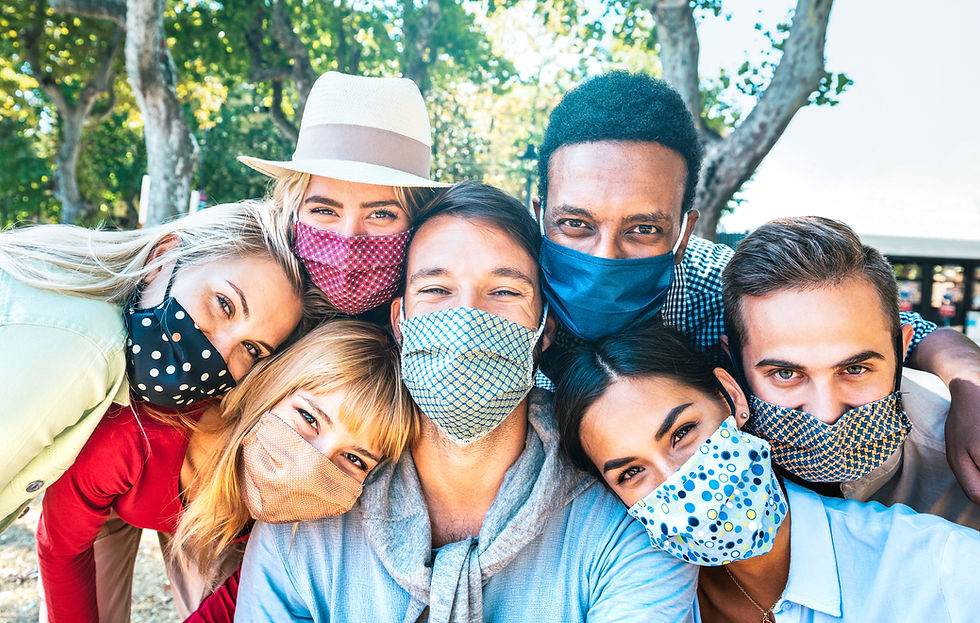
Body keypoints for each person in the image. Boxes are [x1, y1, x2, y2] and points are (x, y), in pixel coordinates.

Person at [235, 181, 697, 622]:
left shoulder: (624, 529)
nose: (467, 316)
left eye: (504, 291)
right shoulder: (312, 505)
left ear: (544, 331)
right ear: (400, 322)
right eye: (436, 289)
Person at [534, 69, 980, 502]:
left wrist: (969, 387)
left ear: (685, 234)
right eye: (574, 224)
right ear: (539, 214)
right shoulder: (495, 288)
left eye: (644, 229)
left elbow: (893, 334)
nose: (604, 256)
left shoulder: (719, 286)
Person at [554, 325, 980, 622]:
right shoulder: (638, 603)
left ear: (732, 398)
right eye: (631, 472)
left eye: (683, 432)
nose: (675, 478)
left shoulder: (944, 569)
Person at [36, 320, 416, 623]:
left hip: (221, 522)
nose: (309, 466)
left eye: (354, 459)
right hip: (116, 501)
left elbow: (231, 604)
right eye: (307, 417)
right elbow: (61, 549)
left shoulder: (303, 512)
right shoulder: (135, 433)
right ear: (272, 384)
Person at [0, 200, 319, 534]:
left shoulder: (83, 317)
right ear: (161, 259)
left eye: (251, 348)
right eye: (224, 304)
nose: (219, 351)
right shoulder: (89, 350)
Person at [720, 216, 979, 528]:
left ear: (901, 349)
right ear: (735, 364)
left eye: (855, 369)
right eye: (785, 374)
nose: (826, 414)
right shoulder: (704, 466)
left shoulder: (956, 465)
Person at [239, 71, 448, 321]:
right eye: (324, 211)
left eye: (381, 214)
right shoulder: (243, 297)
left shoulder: (439, 317)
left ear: (417, 222)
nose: (348, 241)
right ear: (292, 209)